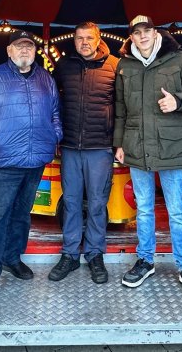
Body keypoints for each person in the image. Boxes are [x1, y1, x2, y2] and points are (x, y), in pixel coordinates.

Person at [113, 15, 182, 303]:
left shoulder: (178, 59)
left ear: (155, 33)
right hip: (136, 146)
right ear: (130, 36)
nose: (142, 36)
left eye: (147, 31)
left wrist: (178, 101)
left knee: (176, 210)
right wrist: (118, 143)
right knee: (143, 209)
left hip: (171, 147)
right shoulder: (124, 65)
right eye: (136, 32)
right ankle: (145, 261)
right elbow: (120, 108)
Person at [0, 30, 63, 302]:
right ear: (9, 51)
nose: (25, 51)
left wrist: (54, 135)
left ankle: (12, 258)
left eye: (29, 47)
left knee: (22, 213)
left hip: (35, 161)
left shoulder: (46, 79)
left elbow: (56, 112)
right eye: (19, 47)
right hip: (5, 161)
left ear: (35, 52)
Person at [48, 22, 119, 284]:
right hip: (69, 147)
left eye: (89, 38)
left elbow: (121, 106)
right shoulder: (64, 66)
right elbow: (52, 102)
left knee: (98, 203)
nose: (84, 42)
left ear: (98, 39)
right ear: (74, 40)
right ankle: (69, 254)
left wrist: (118, 142)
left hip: (100, 147)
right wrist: (53, 135)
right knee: (72, 201)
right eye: (79, 38)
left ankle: (94, 253)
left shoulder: (114, 65)